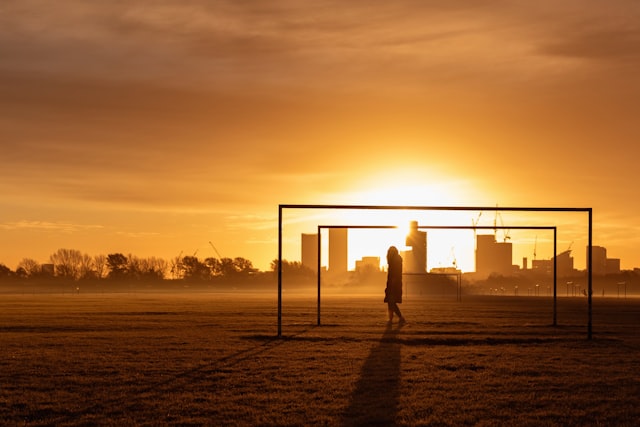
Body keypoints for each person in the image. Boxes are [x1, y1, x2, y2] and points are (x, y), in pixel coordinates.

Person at [384, 246, 406, 325]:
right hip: (393, 284)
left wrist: (392, 285)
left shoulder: (395, 261)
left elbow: (394, 274)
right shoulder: (395, 260)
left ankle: (397, 318)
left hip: (393, 285)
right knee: (391, 302)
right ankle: (393, 318)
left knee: (391, 302)